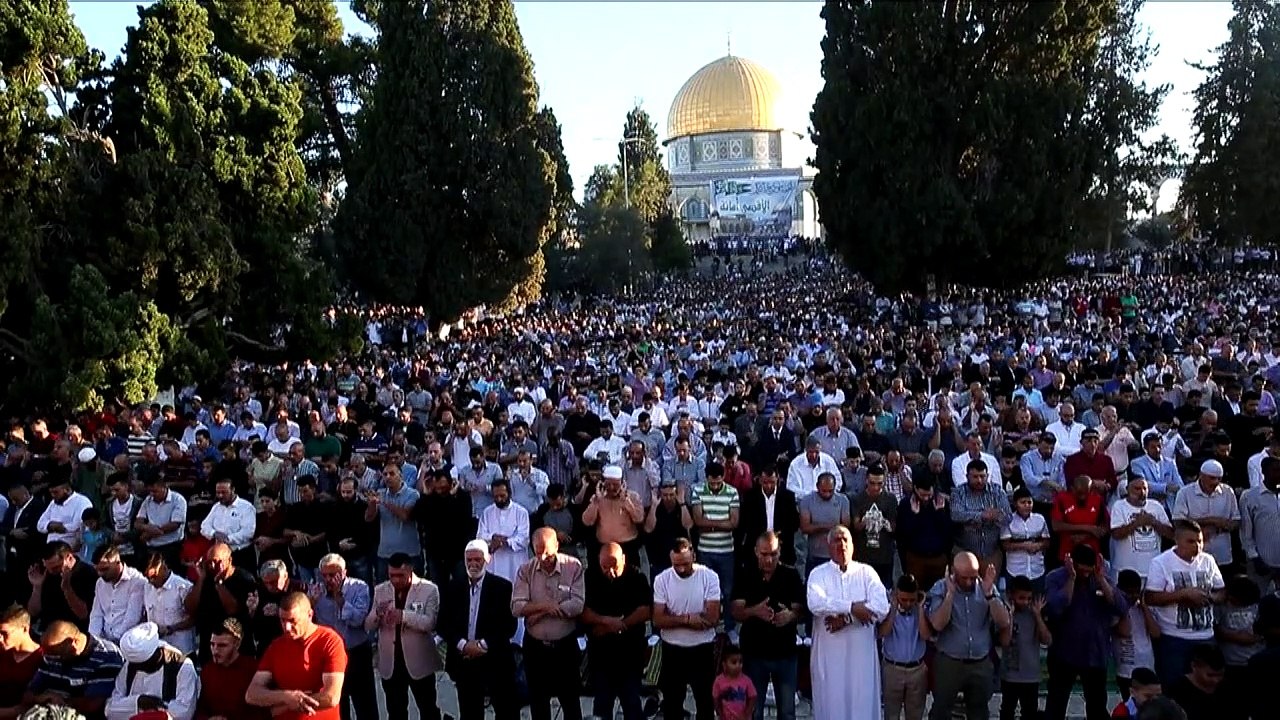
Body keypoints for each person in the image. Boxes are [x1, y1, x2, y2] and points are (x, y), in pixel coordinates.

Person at [806, 526, 890, 720]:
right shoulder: (818, 574)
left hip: (861, 660)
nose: (841, 545)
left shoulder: (867, 573)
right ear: (828, 546)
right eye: (836, 540)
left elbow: (882, 607)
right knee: (830, 705)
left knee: (862, 706)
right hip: (829, 659)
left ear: (853, 546)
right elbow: (816, 603)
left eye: (845, 540)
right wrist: (852, 607)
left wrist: (846, 618)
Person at [1044, 545, 1128, 720]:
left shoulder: (1099, 577)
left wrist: (1101, 579)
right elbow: (1056, 607)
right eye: (1081, 571)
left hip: (1095, 653)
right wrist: (1072, 579)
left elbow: (1120, 606)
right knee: (1056, 706)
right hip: (1063, 653)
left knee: (1097, 707)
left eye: (1088, 571)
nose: (1085, 575)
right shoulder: (1055, 578)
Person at [511, 527, 586, 720]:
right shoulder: (525, 570)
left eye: (548, 552)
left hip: (564, 647)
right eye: (538, 552)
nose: (544, 557)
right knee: (538, 701)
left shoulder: (573, 566)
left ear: (557, 546)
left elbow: (577, 604)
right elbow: (517, 607)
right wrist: (546, 607)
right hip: (535, 648)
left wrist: (535, 612)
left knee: (570, 700)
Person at [439, 539, 517, 720]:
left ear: (487, 560)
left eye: (478, 560)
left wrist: (481, 645)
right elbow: (443, 623)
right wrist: (463, 645)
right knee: (470, 712)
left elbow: (508, 625)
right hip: (464, 661)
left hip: (495, 660)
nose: (473, 564)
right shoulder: (453, 587)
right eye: (469, 560)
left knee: (506, 712)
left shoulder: (502, 587)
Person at [926, 552, 1010, 720]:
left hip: (980, 662)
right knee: (941, 709)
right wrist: (950, 595)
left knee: (979, 711)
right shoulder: (940, 588)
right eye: (964, 578)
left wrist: (990, 595)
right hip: (950, 662)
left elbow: (1004, 622)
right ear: (953, 573)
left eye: (973, 577)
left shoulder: (986, 587)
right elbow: (937, 624)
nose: (970, 582)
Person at [729, 531, 802, 720]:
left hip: (785, 653)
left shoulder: (791, 574)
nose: (769, 559)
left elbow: (801, 609)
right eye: (764, 554)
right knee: (754, 712)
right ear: (755, 551)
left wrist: (790, 615)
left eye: (774, 554)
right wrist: (755, 611)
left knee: (787, 713)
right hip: (754, 653)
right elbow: (735, 611)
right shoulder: (745, 573)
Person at [1144, 520, 1226, 688]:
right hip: (1174, 638)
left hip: (1206, 636)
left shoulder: (1208, 561)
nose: (1197, 546)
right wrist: (1183, 595)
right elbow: (1151, 598)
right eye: (1191, 541)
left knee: (1208, 689)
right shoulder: (1161, 562)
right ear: (1177, 540)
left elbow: (1222, 592)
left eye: (1200, 541)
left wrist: (1208, 597)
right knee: (1174, 688)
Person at [245, 592, 348, 720]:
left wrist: (286, 705)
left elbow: (331, 696)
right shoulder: (276, 647)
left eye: (293, 621)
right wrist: (286, 697)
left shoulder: (329, 641)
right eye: (283, 620)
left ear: (309, 615)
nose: (287, 627)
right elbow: (252, 693)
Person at [364, 552, 442, 720]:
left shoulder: (429, 589)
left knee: (428, 709)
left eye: (400, 575)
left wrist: (404, 616)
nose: (396, 580)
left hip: (420, 662)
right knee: (395, 712)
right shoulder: (381, 590)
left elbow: (430, 623)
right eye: (392, 575)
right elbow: (368, 625)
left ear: (410, 571)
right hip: (391, 663)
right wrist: (377, 613)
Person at [653, 537, 721, 720]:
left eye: (685, 564)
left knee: (705, 702)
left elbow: (712, 618)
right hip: (672, 649)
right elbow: (658, 619)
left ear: (694, 556)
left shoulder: (710, 577)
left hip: (702, 648)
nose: (681, 569)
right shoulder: (662, 580)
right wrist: (689, 619)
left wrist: (673, 618)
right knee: (672, 702)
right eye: (676, 565)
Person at [582, 542, 651, 720]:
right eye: (605, 567)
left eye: (615, 567)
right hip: (601, 654)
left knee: (632, 703)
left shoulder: (636, 577)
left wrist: (622, 624)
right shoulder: (590, 577)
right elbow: (583, 612)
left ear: (623, 559)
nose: (610, 572)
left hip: (630, 652)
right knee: (602, 704)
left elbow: (645, 610)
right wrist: (608, 622)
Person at [310, 555, 376, 720]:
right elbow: (308, 624)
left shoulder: (359, 587)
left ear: (344, 572)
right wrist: (311, 603)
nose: (328, 579)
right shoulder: (316, 591)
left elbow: (359, 620)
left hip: (357, 652)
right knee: (338, 705)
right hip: (331, 656)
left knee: (365, 705)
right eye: (324, 575)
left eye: (332, 575)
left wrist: (340, 599)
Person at [24, 620, 124, 719]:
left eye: (56, 654)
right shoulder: (50, 652)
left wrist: (59, 702)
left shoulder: (107, 656)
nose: (51, 657)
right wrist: (43, 698)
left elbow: (93, 705)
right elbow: (28, 694)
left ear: (73, 642)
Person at [104, 622, 198, 720]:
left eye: (143, 665)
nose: (138, 669)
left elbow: (184, 713)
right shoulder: (130, 665)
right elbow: (110, 710)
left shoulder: (182, 667)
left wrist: (148, 708)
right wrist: (138, 701)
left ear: (156, 654)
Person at [878, 575, 929, 720]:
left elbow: (925, 635)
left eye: (911, 600)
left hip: (917, 670)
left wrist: (919, 608)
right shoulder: (886, 606)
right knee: (891, 714)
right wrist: (893, 608)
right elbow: (883, 633)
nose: (907, 603)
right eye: (903, 599)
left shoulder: (920, 608)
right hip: (892, 669)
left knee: (915, 715)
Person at [1000, 575, 1051, 720]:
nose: (1026, 602)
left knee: (1030, 713)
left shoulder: (1033, 614)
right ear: (1011, 595)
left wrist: (1037, 615)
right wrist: (1009, 615)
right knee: (1007, 711)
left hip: (1031, 677)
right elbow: (1005, 641)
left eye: (1029, 598)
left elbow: (1047, 640)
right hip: (1010, 675)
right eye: (1021, 598)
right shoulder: (1003, 613)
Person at [196, 618, 266, 720]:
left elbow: (264, 711)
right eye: (212, 644)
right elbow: (201, 708)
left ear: (237, 644)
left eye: (222, 645)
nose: (215, 651)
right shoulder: (207, 671)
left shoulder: (253, 670)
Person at [28, 541, 97, 632]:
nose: (51, 571)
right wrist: (37, 588)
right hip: (47, 629)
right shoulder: (45, 572)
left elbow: (84, 615)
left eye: (56, 567)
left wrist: (67, 589)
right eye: (48, 567)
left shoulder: (87, 573)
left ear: (69, 558)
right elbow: (33, 613)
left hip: (73, 631)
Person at [87, 546, 147, 645]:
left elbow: (132, 618)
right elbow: (96, 615)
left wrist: (113, 641)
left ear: (117, 563)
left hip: (129, 641)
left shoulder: (136, 581)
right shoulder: (100, 583)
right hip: (105, 640)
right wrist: (94, 640)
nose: (100, 574)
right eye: (97, 570)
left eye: (105, 569)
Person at [1164, 643, 1228, 720]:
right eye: (1210, 675)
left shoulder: (1226, 687)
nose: (1216, 680)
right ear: (1194, 666)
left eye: (1220, 675)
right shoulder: (1177, 690)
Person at [0, 607, 43, 719]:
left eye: (4, 633)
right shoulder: (2, 653)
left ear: (24, 629)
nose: (0, 639)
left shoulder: (42, 658)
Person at [712, 645, 756, 720]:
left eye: (740, 662)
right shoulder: (719, 681)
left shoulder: (746, 680)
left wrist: (747, 713)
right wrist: (719, 712)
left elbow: (753, 696)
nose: (738, 665)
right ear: (724, 665)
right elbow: (715, 697)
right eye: (734, 662)